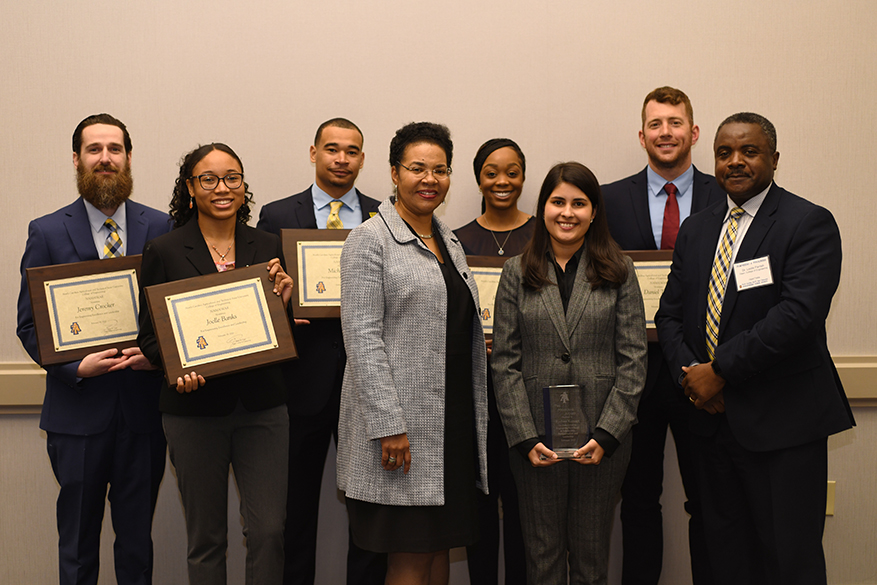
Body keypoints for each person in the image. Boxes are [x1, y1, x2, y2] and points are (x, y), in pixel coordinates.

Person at [655, 113, 855, 585]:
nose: (735, 161)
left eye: (749, 151)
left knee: (787, 561)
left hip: (782, 427)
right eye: (724, 153)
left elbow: (797, 317)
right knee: (720, 558)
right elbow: (668, 315)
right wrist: (694, 377)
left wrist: (720, 369)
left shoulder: (808, 222)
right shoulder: (698, 228)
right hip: (710, 425)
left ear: (774, 159)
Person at [16, 114, 170, 585]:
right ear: (78, 159)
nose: (105, 158)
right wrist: (73, 366)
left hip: (144, 415)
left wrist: (158, 356)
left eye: (115, 149)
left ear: (128, 157)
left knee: (137, 547)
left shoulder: (163, 227)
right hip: (77, 416)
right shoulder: (46, 231)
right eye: (94, 149)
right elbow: (29, 325)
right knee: (78, 548)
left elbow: (177, 315)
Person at [336, 122, 489, 585]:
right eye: (417, 168)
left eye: (440, 170)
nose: (430, 179)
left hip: (451, 424)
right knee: (409, 555)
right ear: (393, 172)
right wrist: (389, 426)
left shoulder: (449, 241)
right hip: (402, 428)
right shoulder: (369, 239)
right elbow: (362, 340)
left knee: (439, 547)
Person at [137, 143, 293, 585]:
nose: (222, 188)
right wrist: (174, 370)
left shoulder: (268, 245)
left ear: (244, 187)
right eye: (208, 179)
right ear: (190, 188)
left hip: (264, 409)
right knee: (206, 539)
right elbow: (148, 337)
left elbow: (278, 334)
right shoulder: (165, 250)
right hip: (194, 413)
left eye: (233, 178)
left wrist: (283, 302)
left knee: (269, 532)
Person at [492, 162, 647, 585]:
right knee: (541, 557)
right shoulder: (516, 273)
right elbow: (504, 361)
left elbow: (633, 360)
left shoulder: (620, 271)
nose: (567, 212)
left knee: (591, 558)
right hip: (534, 440)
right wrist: (523, 436)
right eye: (557, 201)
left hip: (601, 438)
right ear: (542, 208)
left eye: (579, 203)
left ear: (594, 211)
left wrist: (609, 434)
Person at [601, 86, 724, 585]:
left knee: (710, 501)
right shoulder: (609, 199)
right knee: (637, 502)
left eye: (675, 123)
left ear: (693, 132)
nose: (666, 132)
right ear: (642, 135)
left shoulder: (726, 194)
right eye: (656, 124)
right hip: (632, 375)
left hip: (707, 373)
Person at [257, 118, 385, 585]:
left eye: (352, 151)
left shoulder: (384, 215)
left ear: (363, 159)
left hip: (368, 381)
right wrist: (284, 307)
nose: (342, 159)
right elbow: (260, 299)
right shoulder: (276, 215)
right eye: (332, 149)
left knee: (370, 508)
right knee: (294, 508)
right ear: (313, 153)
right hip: (300, 381)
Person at [453, 138, 531, 585]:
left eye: (512, 171)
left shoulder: (545, 233)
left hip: (528, 390)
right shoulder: (456, 239)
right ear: (478, 176)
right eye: (491, 171)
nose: (502, 181)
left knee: (525, 506)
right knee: (479, 502)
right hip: (475, 394)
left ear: (523, 176)